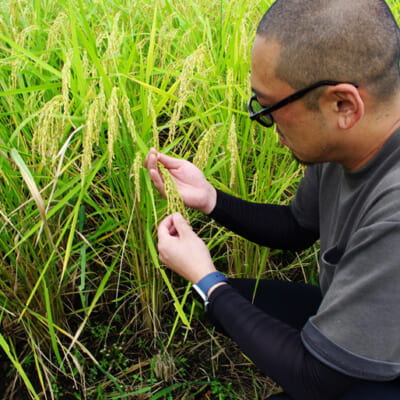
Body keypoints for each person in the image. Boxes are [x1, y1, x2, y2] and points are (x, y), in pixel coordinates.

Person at [144, 0, 400, 398]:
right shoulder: (348, 139)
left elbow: (316, 378)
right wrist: (210, 198)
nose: (264, 124)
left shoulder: (394, 211)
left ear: (343, 104)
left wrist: (208, 283)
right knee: (239, 304)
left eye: (269, 108)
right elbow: (297, 227)